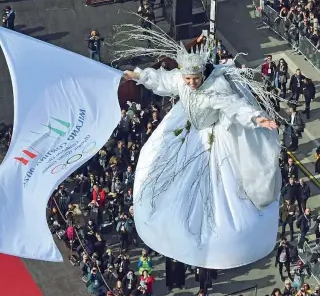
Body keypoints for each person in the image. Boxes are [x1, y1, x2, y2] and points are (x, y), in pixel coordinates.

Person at [117, 23, 281, 269]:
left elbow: (234, 106)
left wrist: (256, 118)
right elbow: (161, 79)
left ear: (202, 75)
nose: (191, 83)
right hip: (188, 131)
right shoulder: (182, 82)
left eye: (195, 79)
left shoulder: (215, 89)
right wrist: (137, 75)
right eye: (187, 78)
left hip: (214, 139)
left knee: (216, 188)